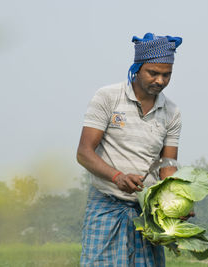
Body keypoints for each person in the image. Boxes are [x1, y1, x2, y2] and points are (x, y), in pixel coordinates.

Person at [77, 33, 184, 266]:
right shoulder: (108, 98)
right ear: (137, 68)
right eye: (153, 73)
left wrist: (177, 201)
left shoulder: (171, 112)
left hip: (146, 212)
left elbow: (168, 167)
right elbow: (84, 152)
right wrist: (118, 177)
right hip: (106, 205)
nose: (160, 80)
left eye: (167, 75)